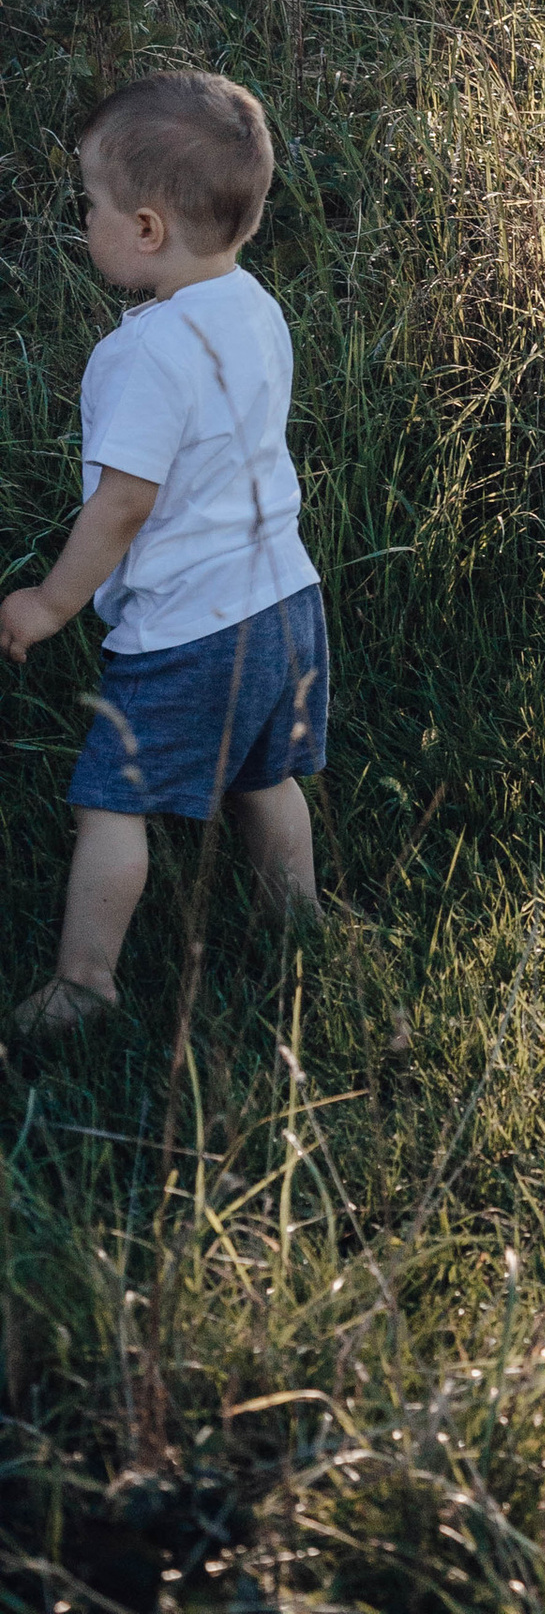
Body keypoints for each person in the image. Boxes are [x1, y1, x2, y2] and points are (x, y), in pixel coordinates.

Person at [2, 70, 326, 1031]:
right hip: (285, 603)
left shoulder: (142, 354)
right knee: (265, 780)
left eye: (92, 205)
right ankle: (298, 923)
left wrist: (50, 604)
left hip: (191, 631)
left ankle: (85, 983)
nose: (84, 221)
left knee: (112, 801)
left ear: (144, 229)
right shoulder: (254, 307)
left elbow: (123, 506)